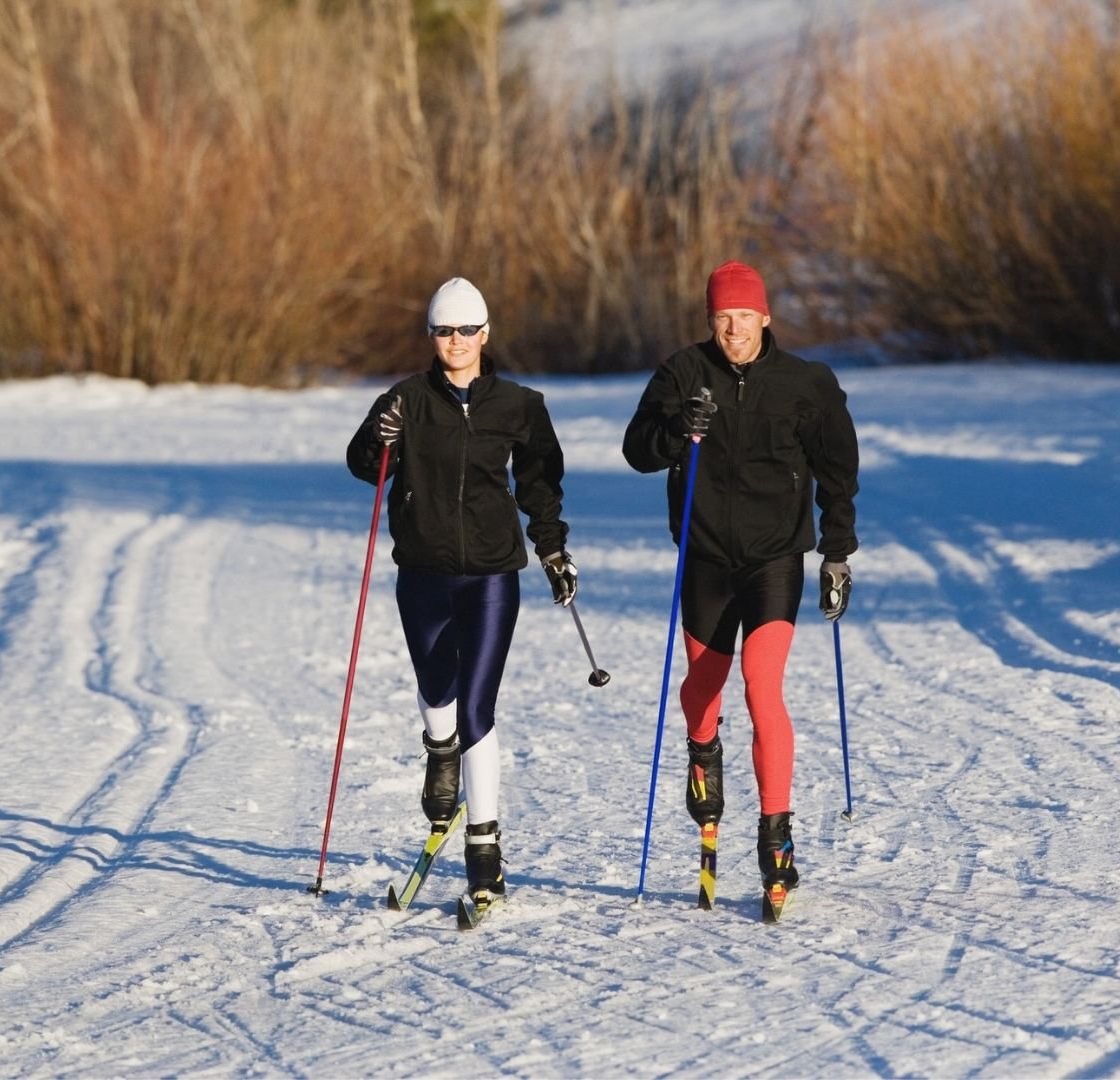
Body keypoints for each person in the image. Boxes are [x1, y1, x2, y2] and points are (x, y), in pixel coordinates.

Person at [621, 261, 859, 902]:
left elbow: (838, 472)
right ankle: (703, 749)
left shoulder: (806, 384)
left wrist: (837, 555)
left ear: (765, 317)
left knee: (762, 684)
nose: (733, 329)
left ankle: (776, 835)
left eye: (743, 316)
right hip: (704, 557)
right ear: (711, 321)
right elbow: (636, 450)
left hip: (774, 558)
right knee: (704, 686)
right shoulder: (682, 373)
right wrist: (678, 430)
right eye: (721, 318)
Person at [346, 277, 576, 910]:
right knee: (435, 691)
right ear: (432, 337)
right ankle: (438, 749)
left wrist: (552, 548)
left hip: (492, 576)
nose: (456, 341)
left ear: (485, 334)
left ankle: (485, 851)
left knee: (478, 709)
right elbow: (366, 466)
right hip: (422, 572)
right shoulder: (406, 399)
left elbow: (539, 485)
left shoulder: (519, 406)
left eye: (467, 330)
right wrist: (380, 436)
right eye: (444, 331)